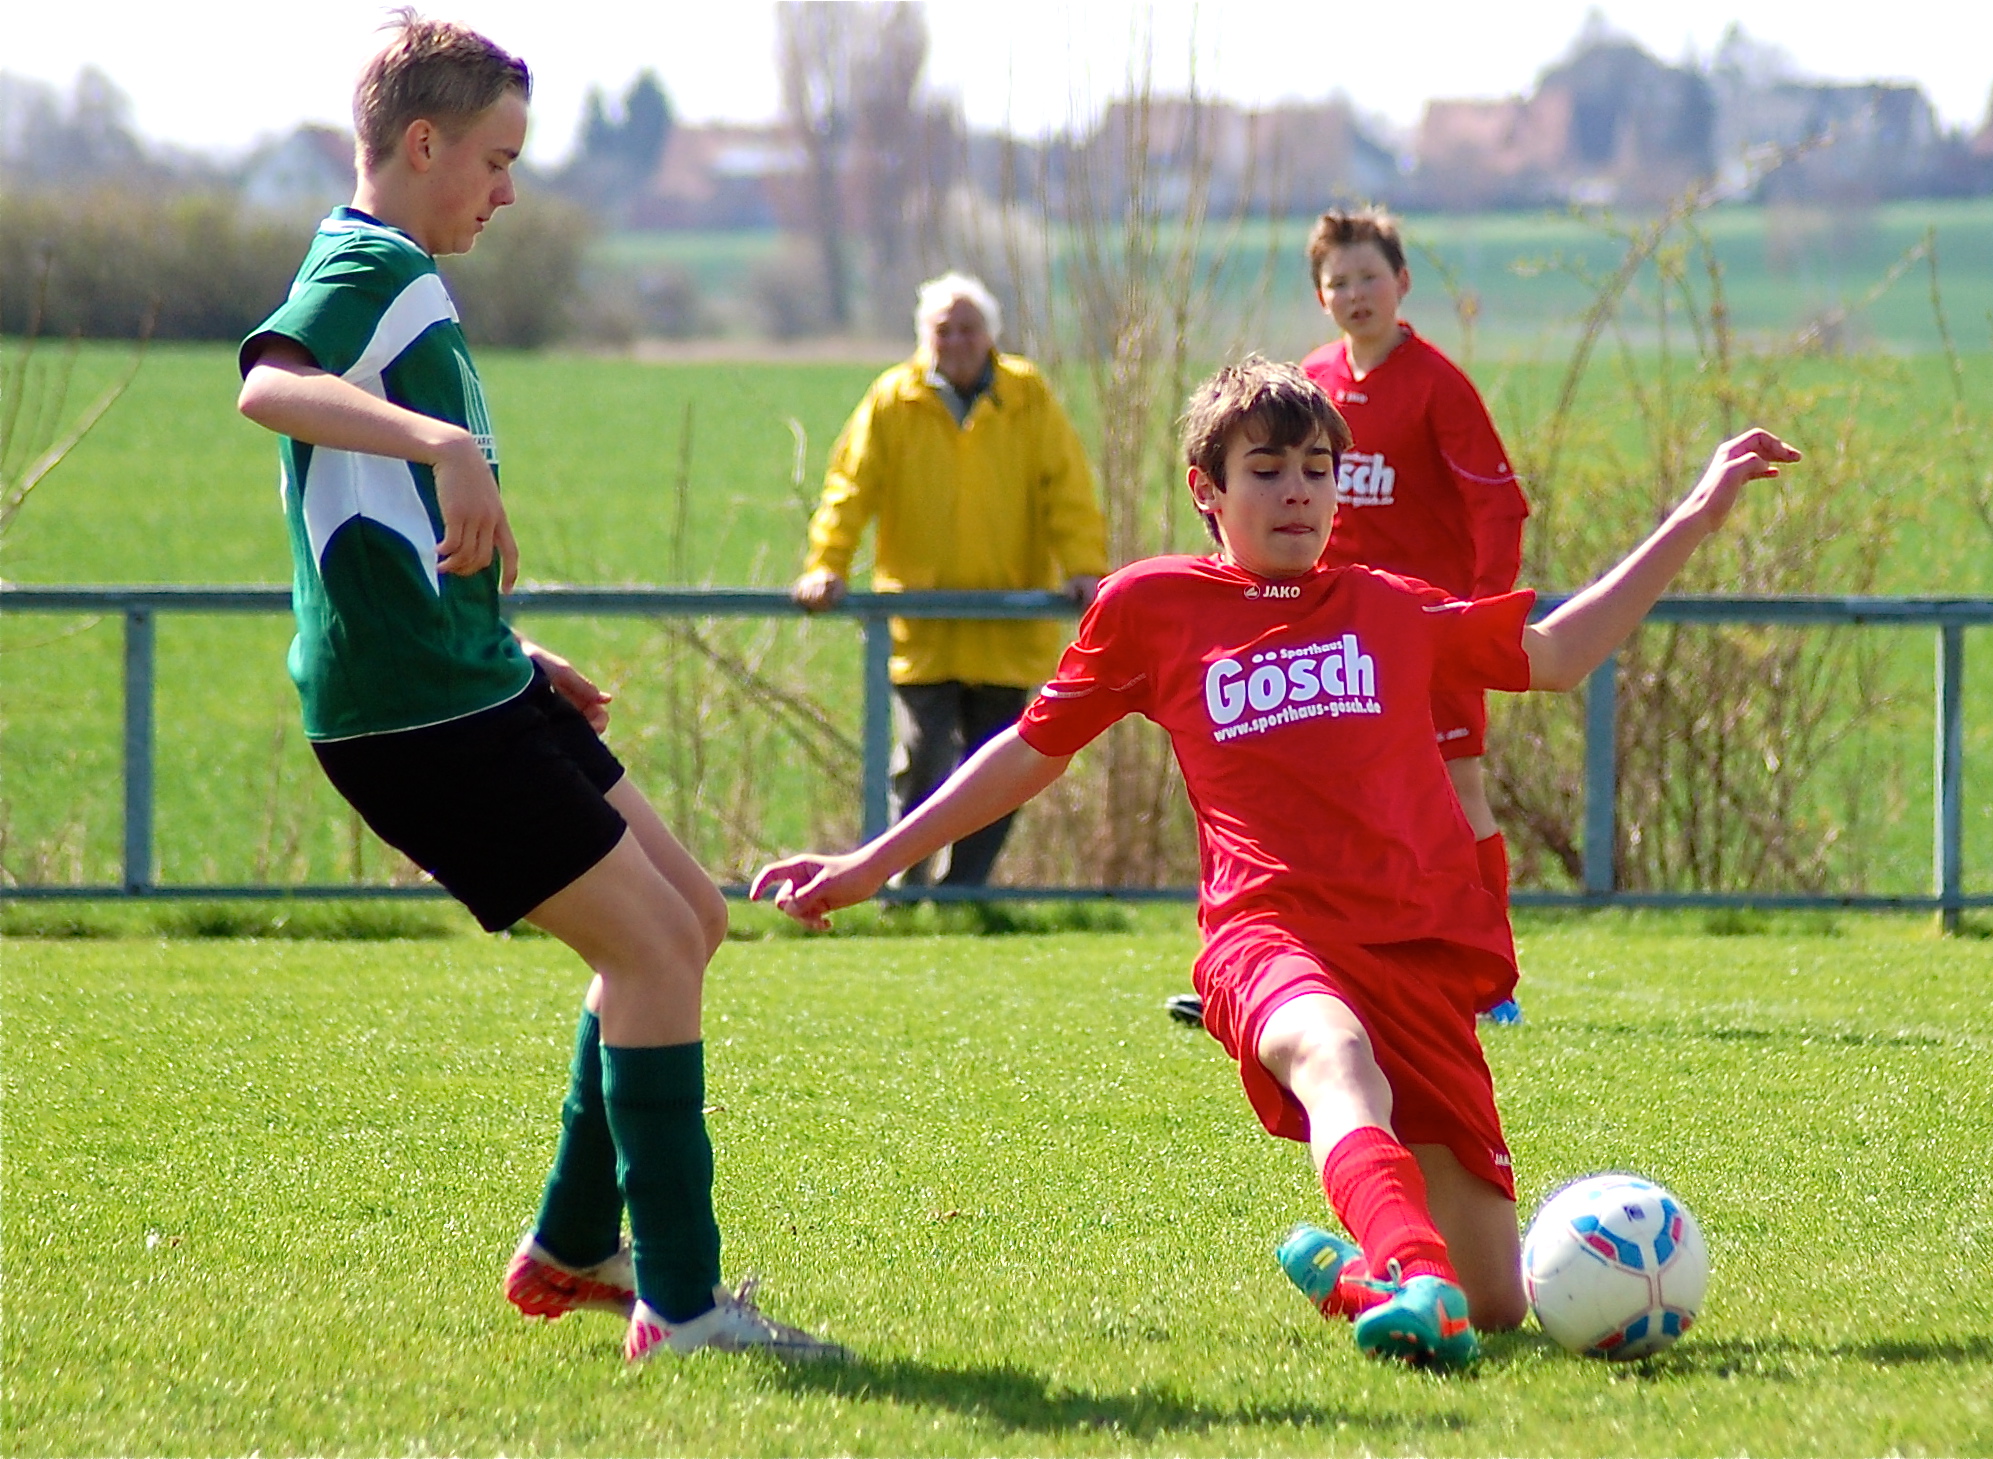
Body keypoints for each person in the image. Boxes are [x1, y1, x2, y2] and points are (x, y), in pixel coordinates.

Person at [753, 355, 1799, 1368]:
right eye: (1265, 469)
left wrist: (1694, 515)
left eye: (1316, 469)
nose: (1297, 491)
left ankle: (1362, 1277)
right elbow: (1027, 751)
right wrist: (870, 863)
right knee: (1333, 1057)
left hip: (1414, 947)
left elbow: (1560, 655)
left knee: (1497, 1303)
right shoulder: (1150, 606)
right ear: (1205, 490)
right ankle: (1412, 1278)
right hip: (1268, 935)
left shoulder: (1389, 605)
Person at [234, 11, 840, 1365]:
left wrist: (509, 647)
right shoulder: (365, 260)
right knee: (650, 949)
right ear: (422, 142)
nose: (507, 192)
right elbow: (269, 387)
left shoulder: (405, 275)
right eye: (496, 161)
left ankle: (575, 1245)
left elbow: (385, 530)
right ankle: (682, 1306)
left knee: (689, 919)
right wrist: (443, 441)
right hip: (413, 715)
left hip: (469, 679)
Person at [1166, 206, 1530, 1031]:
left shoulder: (1436, 384)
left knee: (1458, 792)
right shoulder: (1311, 383)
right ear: (1319, 296)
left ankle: (1489, 978)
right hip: (1328, 635)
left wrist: (1479, 623)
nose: (1355, 293)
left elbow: (1498, 507)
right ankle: (1266, 962)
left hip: (1421, 629)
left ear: (1401, 283)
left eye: (1369, 276)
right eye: (1338, 281)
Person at [793, 273, 1108, 888]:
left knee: (1002, 772)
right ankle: (899, 890)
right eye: (944, 330)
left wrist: (1083, 567)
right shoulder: (893, 398)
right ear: (924, 336)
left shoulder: (1027, 395)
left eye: (969, 329)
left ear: (990, 334)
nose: (957, 341)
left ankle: (964, 893)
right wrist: (826, 565)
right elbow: (849, 490)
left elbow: (1066, 489)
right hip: (923, 624)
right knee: (923, 758)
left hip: (1006, 624)